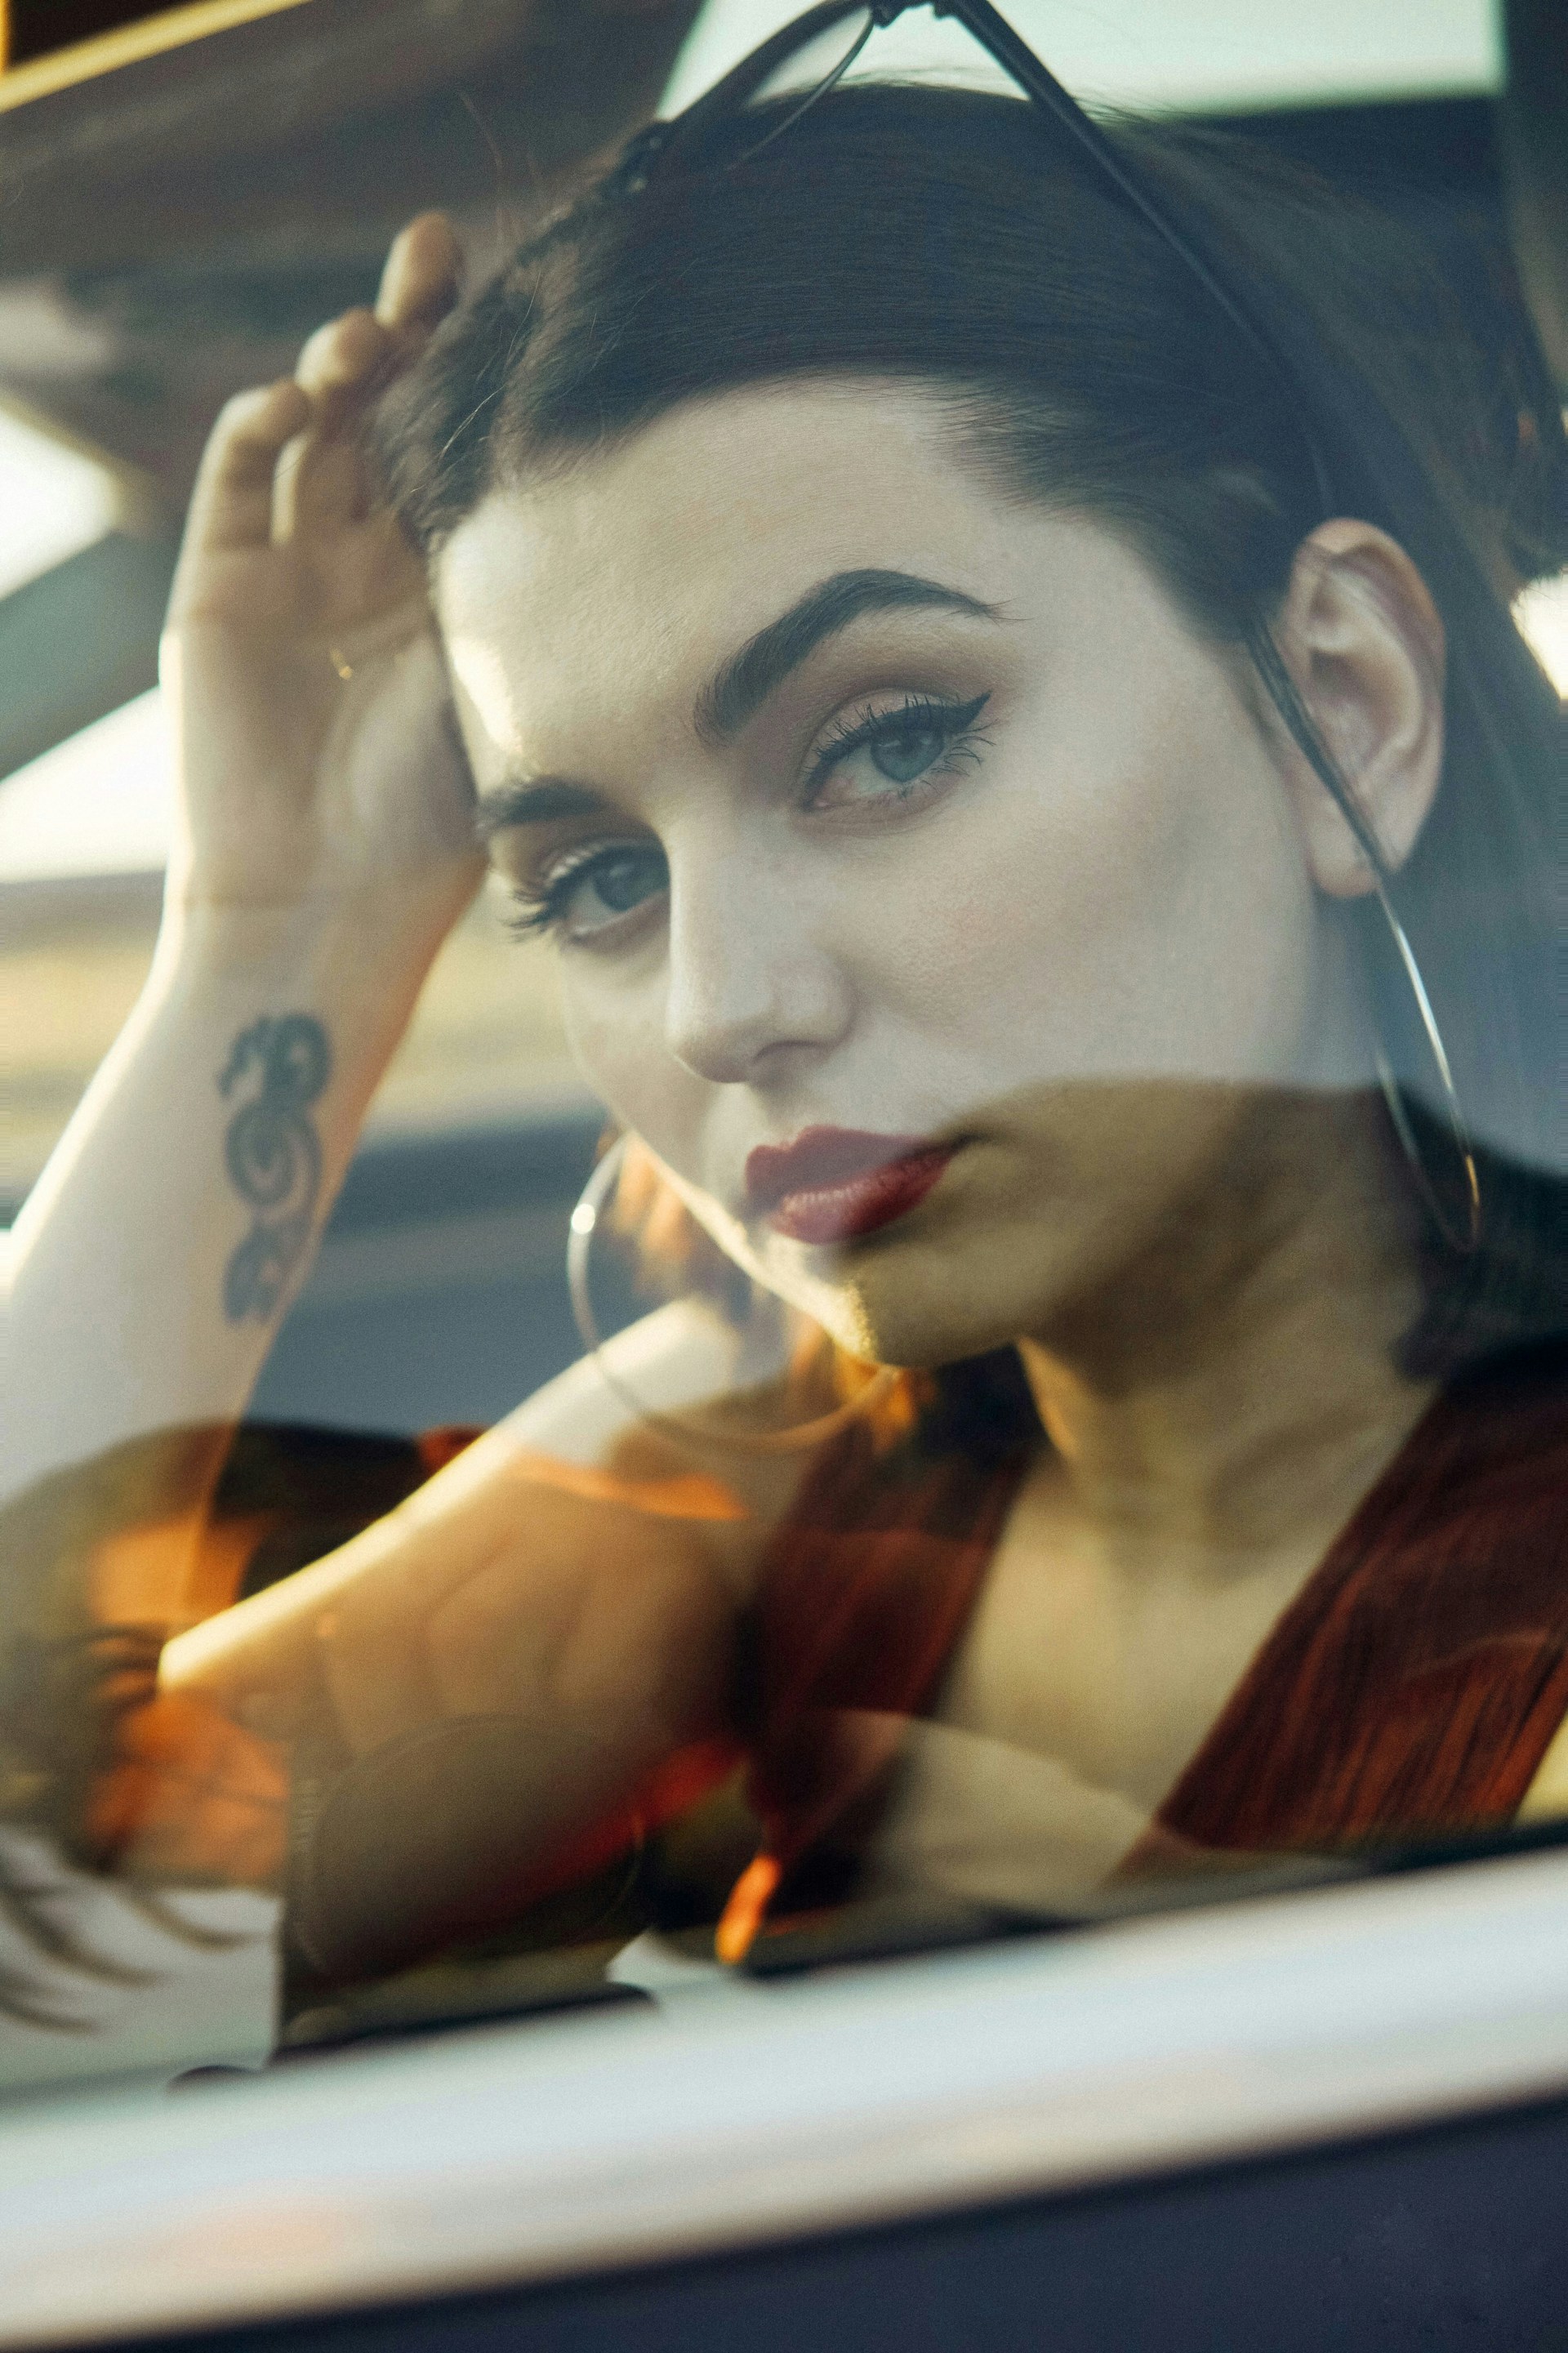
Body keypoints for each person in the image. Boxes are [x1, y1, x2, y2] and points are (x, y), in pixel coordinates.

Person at [2, 36, 1566, 2004]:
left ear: (1341, 702)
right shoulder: (761, 1474)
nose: (725, 1004)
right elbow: (24, 1918)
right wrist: (274, 923)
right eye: (591, 878)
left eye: (887, 744)